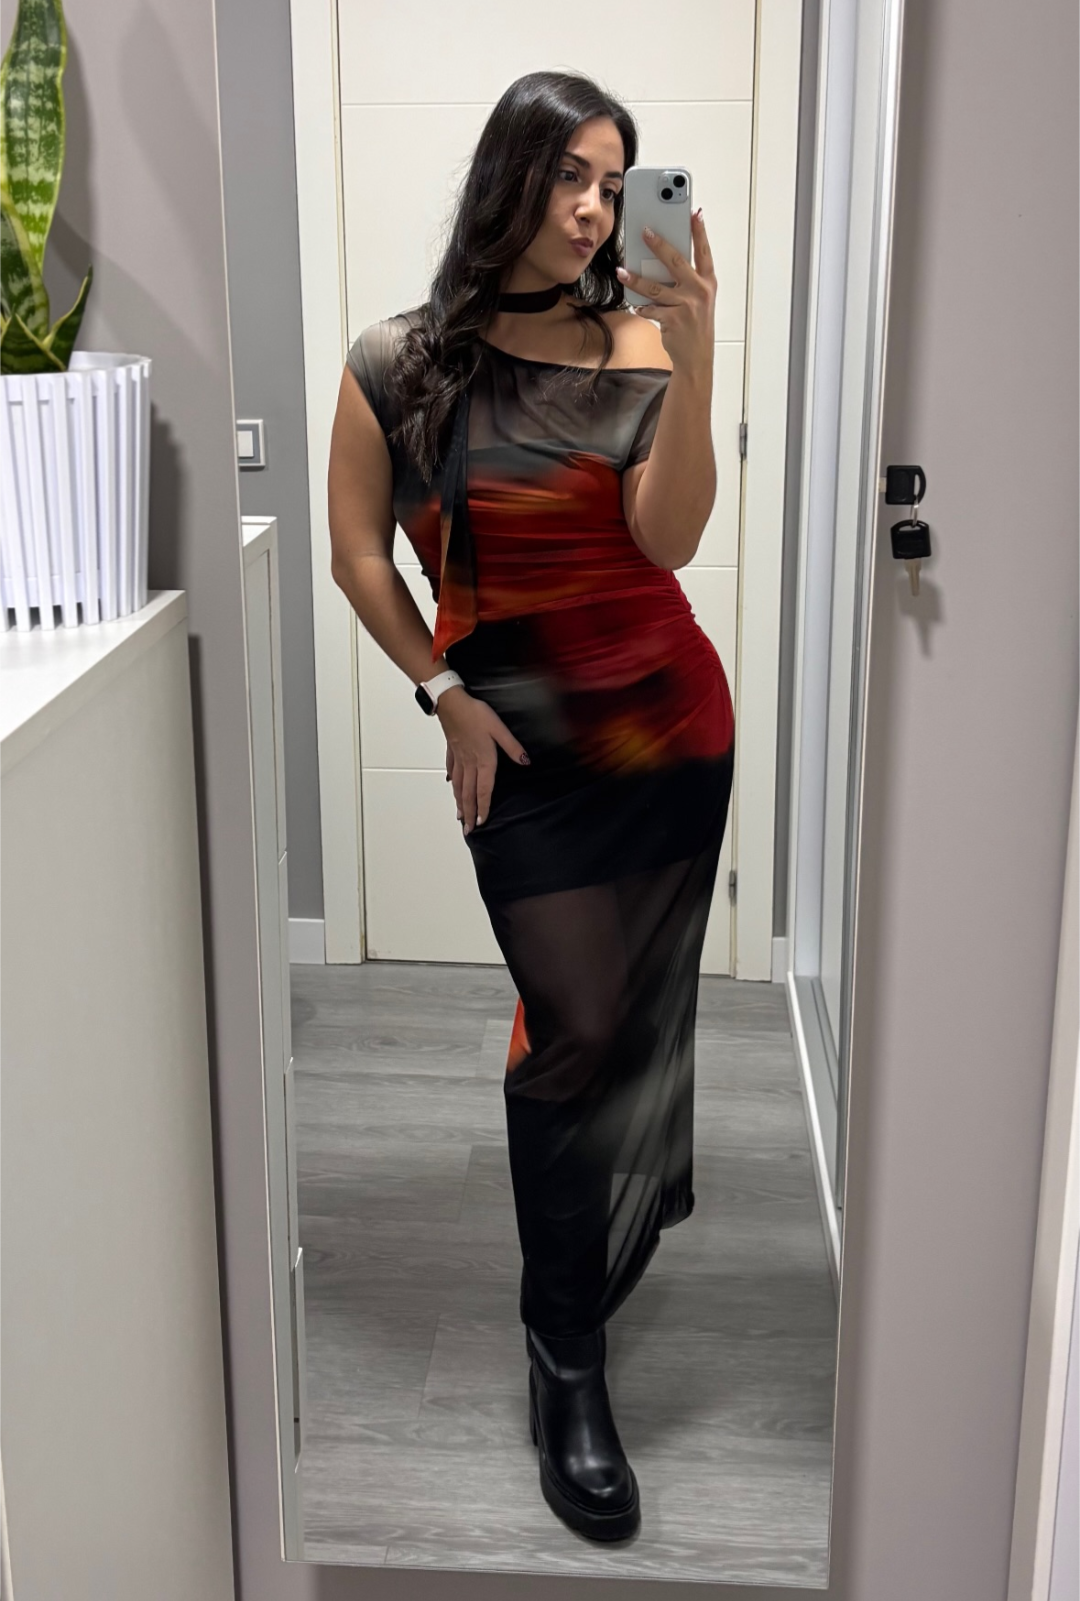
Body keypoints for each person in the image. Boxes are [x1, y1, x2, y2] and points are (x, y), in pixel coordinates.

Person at [327, 69, 734, 1544]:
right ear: (508, 175)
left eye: (614, 183)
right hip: (521, 752)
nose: (592, 208)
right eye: (569, 173)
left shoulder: (637, 337)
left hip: (668, 727)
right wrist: (443, 691)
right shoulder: (397, 359)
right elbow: (359, 553)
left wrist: (698, 349)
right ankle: (566, 1358)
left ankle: (592, 1278)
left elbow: (669, 539)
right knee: (573, 1024)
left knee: (621, 1011)